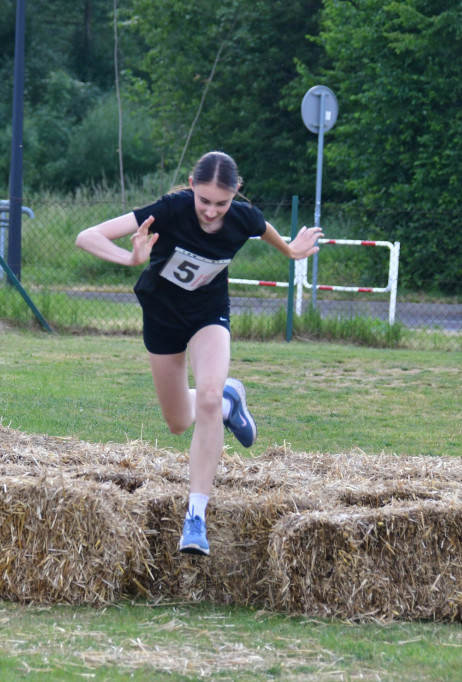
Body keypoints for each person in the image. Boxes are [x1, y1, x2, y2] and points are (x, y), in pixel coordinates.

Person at [75, 151, 322, 556]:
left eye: (221, 203)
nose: (210, 211)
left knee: (205, 395)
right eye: (203, 200)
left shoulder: (243, 217)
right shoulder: (170, 210)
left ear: (235, 195)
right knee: (177, 422)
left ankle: (196, 518)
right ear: (191, 185)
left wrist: (293, 252)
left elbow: (266, 230)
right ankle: (229, 403)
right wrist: (131, 257)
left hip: (209, 315)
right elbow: (87, 236)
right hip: (162, 319)